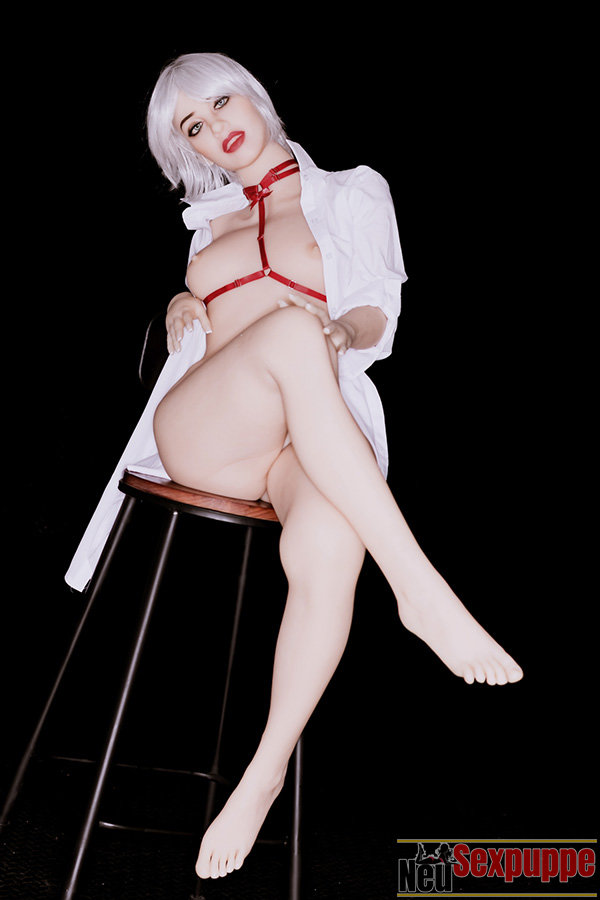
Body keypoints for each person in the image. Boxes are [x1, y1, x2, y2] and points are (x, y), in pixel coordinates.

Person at [65, 52, 523, 881]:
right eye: (192, 126)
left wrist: (341, 332)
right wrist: (180, 301)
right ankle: (420, 590)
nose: (215, 127)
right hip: (209, 434)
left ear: (255, 95)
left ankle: (264, 771)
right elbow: (214, 318)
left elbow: (377, 310)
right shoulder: (210, 220)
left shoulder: (353, 193)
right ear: (189, 149)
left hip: (307, 434)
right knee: (285, 330)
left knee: (330, 542)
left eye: (220, 102)